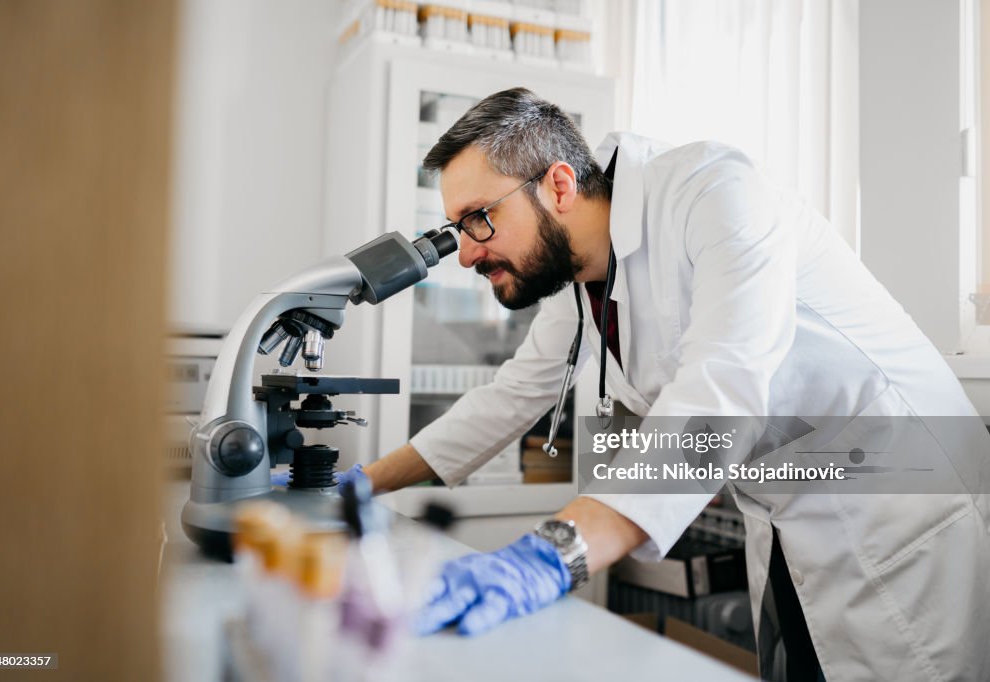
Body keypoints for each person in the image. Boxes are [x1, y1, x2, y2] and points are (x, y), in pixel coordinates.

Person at [341, 88, 990, 680]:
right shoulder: (582, 284)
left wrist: (550, 554)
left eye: (477, 218)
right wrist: (359, 484)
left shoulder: (715, 195)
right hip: (795, 510)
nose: (466, 251)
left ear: (559, 185)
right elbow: (509, 398)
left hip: (898, 494)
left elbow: (720, 390)